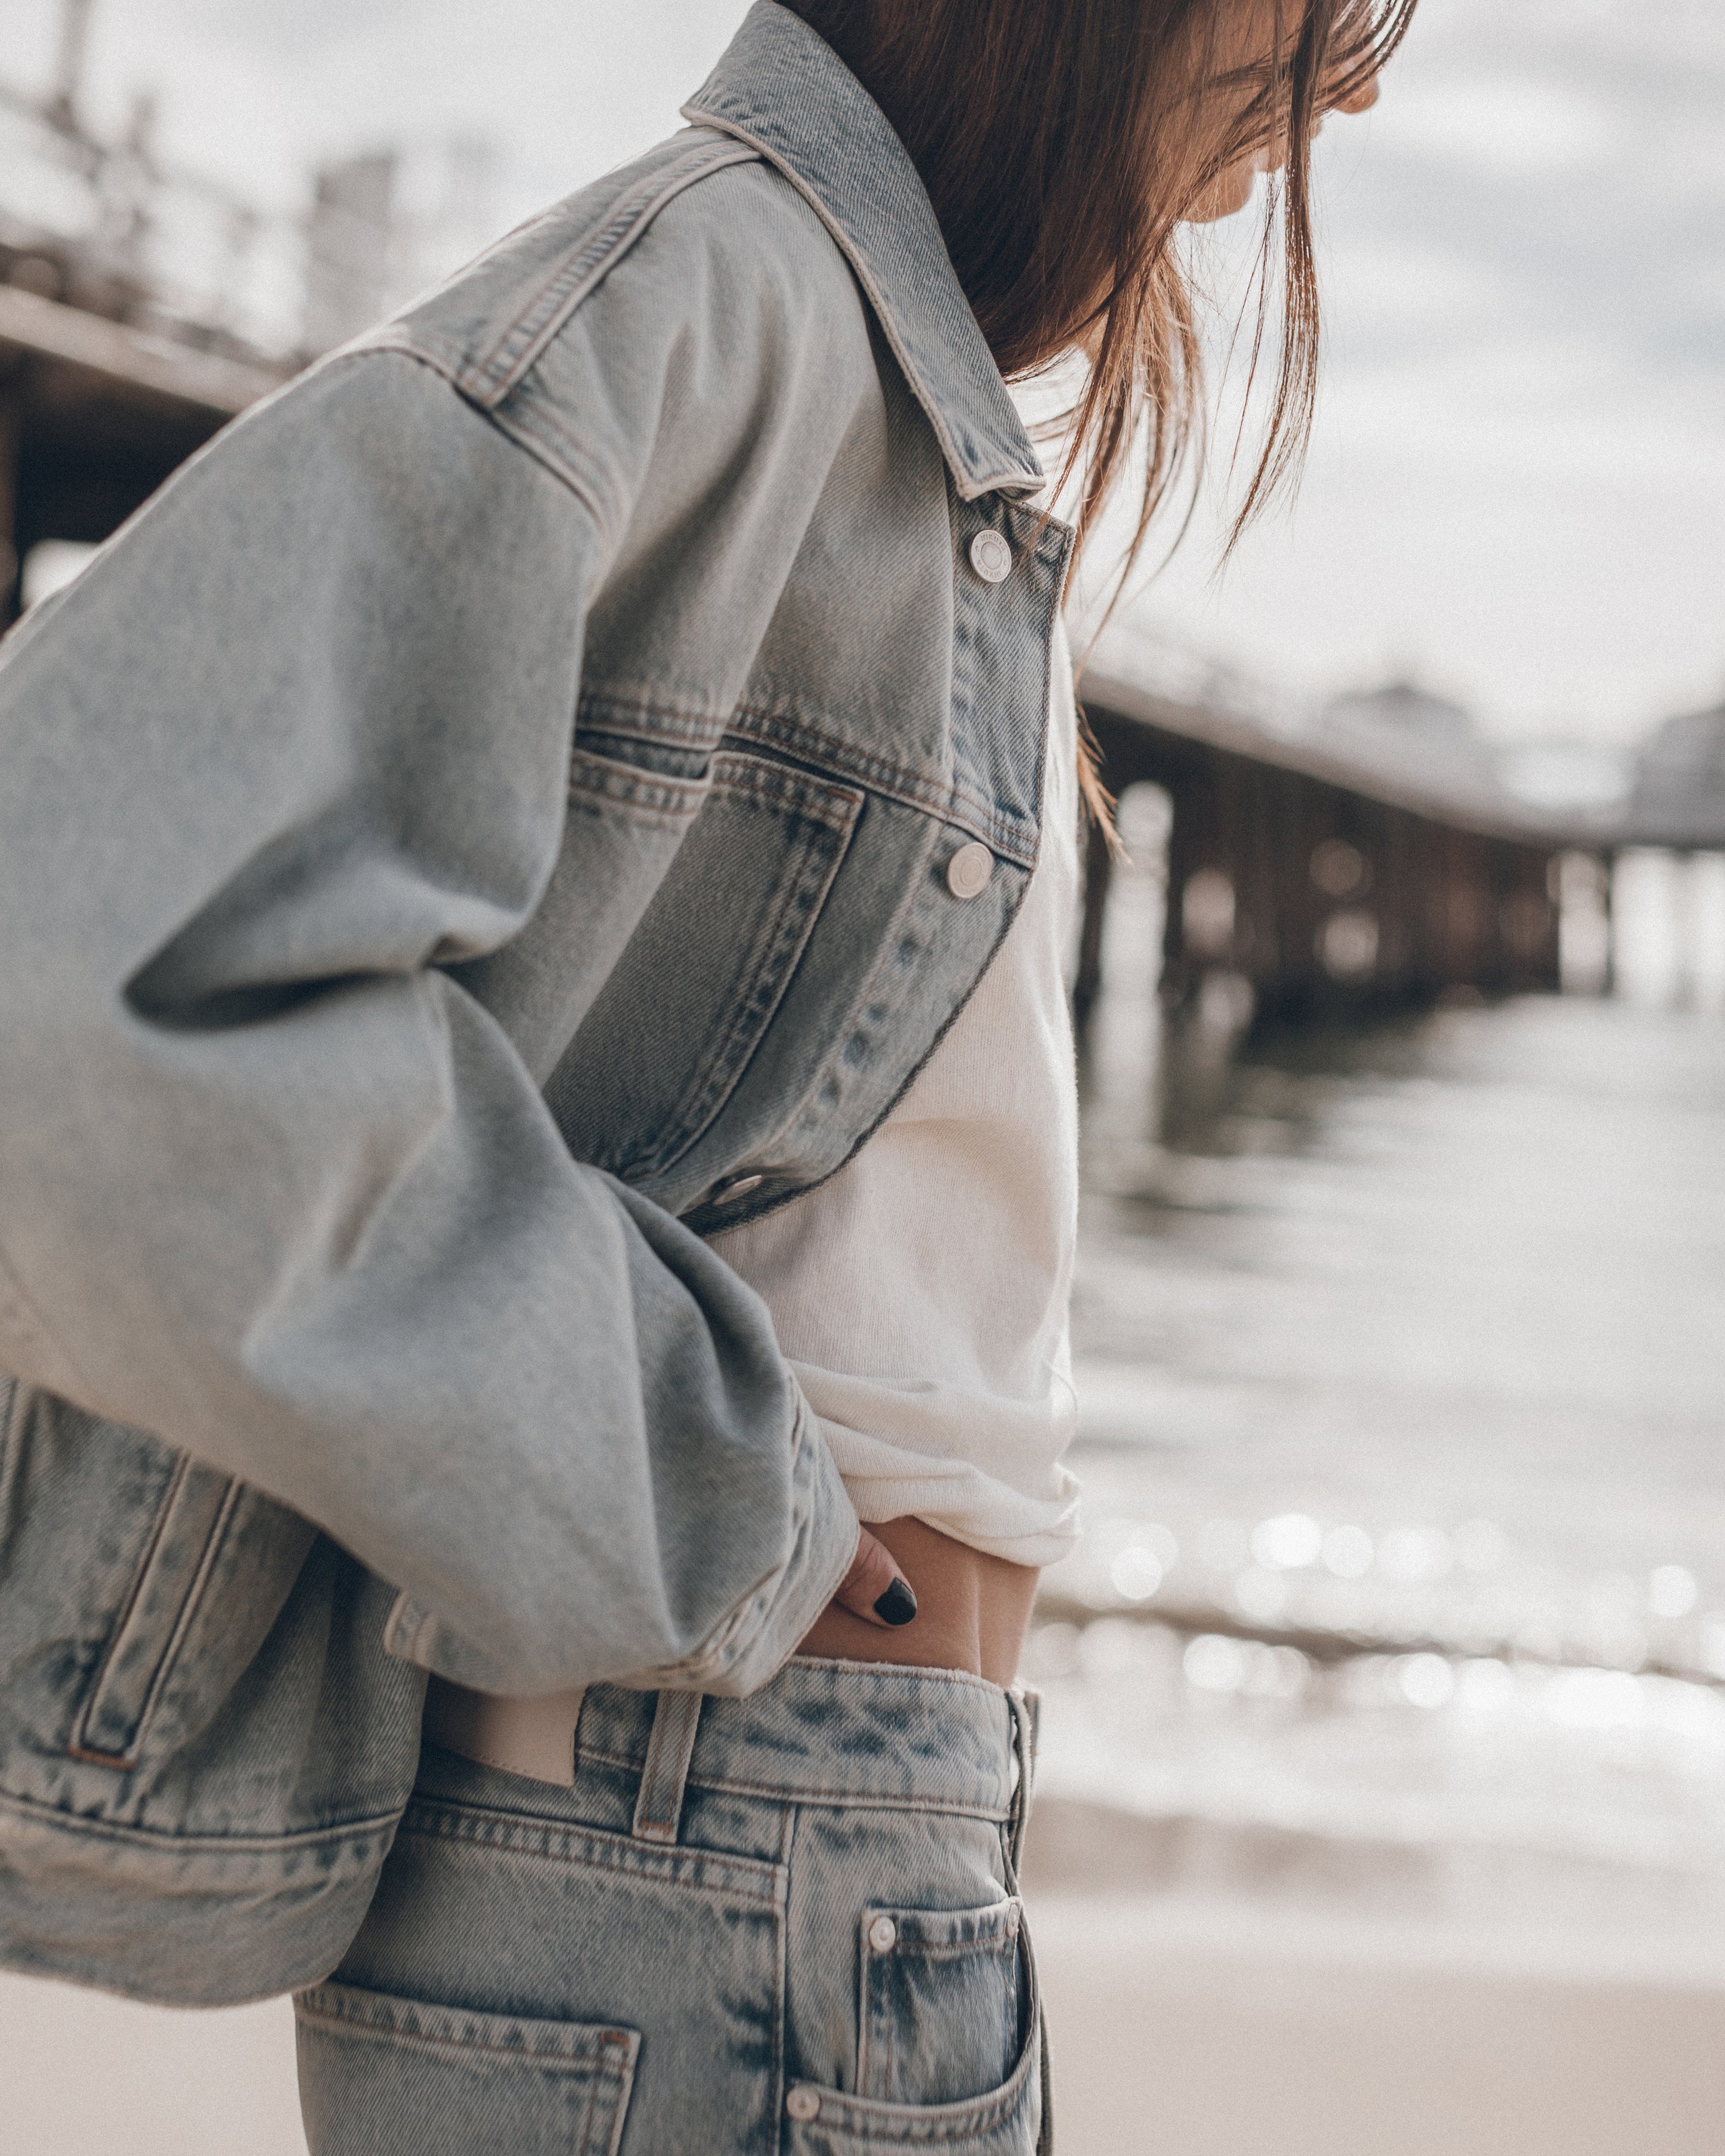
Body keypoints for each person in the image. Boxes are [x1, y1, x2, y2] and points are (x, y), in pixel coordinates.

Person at [0, 1, 1408, 2148]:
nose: (1355, 79)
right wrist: (701, 1494)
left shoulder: (842, 362)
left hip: (782, 1839)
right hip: (702, 1842)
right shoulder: (720, 293)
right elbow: (74, 950)